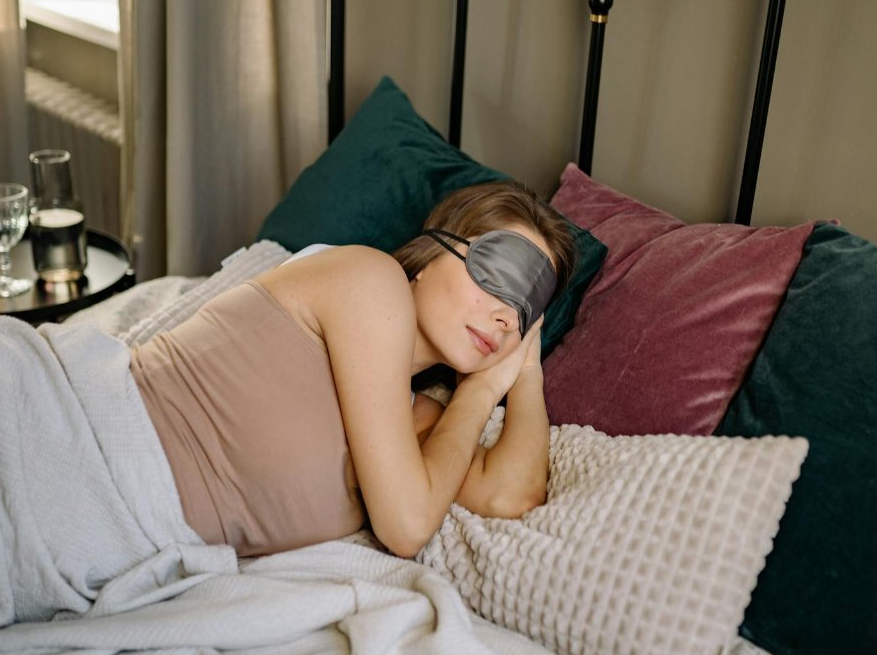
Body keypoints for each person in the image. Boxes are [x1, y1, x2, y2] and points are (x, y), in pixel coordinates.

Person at [129, 180, 577, 559]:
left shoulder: (417, 422)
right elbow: (407, 527)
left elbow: (509, 495)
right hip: (105, 448)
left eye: (527, 310)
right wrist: (479, 393)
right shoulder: (369, 279)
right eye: (499, 275)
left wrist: (522, 372)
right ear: (431, 253)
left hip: (136, 538)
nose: (506, 317)